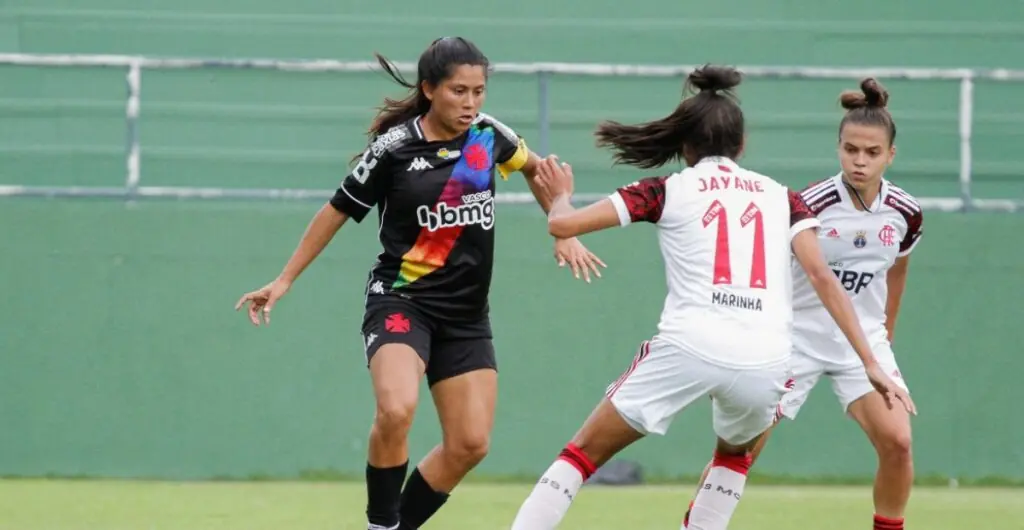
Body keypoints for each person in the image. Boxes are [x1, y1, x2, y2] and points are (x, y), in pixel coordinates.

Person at [508, 65, 914, 530]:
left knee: (581, 455)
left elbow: (563, 225)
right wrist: (871, 359)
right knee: (733, 459)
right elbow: (822, 276)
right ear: (741, 146)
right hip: (766, 360)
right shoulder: (783, 197)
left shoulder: (665, 190)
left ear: (685, 145)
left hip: (690, 346)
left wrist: (560, 197)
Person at [234, 37, 605, 530]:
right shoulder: (393, 148)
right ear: (429, 89)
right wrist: (284, 279)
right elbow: (337, 210)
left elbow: (542, 174)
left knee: (471, 444)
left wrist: (563, 223)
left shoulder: (489, 138)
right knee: (396, 408)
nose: (471, 102)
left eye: (478, 91)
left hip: (467, 315)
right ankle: (381, 523)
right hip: (402, 300)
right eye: (458, 91)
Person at [681, 78, 923, 530]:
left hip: (861, 345)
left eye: (872, 152)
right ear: (838, 148)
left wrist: (884, 334)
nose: (860, 160)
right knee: (742, 450)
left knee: (899, 443)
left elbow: (898, 271)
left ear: (891, 155)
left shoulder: (906, 213)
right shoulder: (808, 203)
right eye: (851, 149)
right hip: (793, 339)